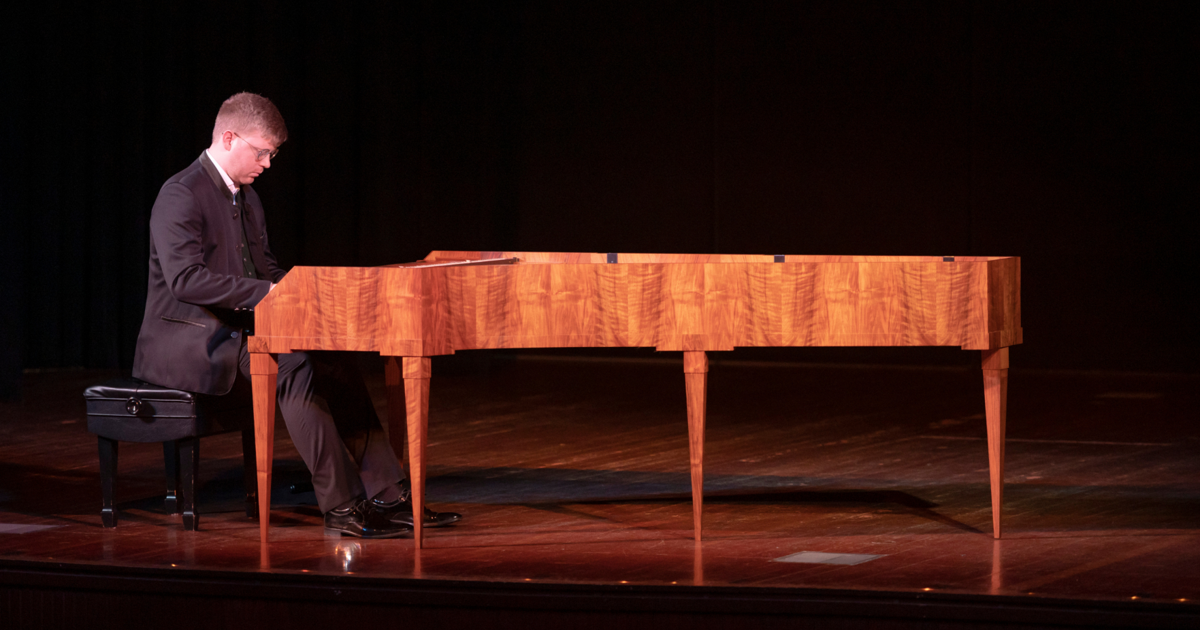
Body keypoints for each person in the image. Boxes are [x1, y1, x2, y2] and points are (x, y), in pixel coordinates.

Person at [132, 92, 459, 538]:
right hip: (193, 342)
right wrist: (270, 292)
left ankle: (390, 495)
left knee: (334, 354)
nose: (267, 163)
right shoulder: (181, 193)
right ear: (229, 138)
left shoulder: (248, 199)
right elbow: (186, 280)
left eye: (272, 154)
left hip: (242, 331)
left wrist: (309, 292)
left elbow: (266, 268)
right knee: (292, 361)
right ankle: (343, 506)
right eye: (261, 152)